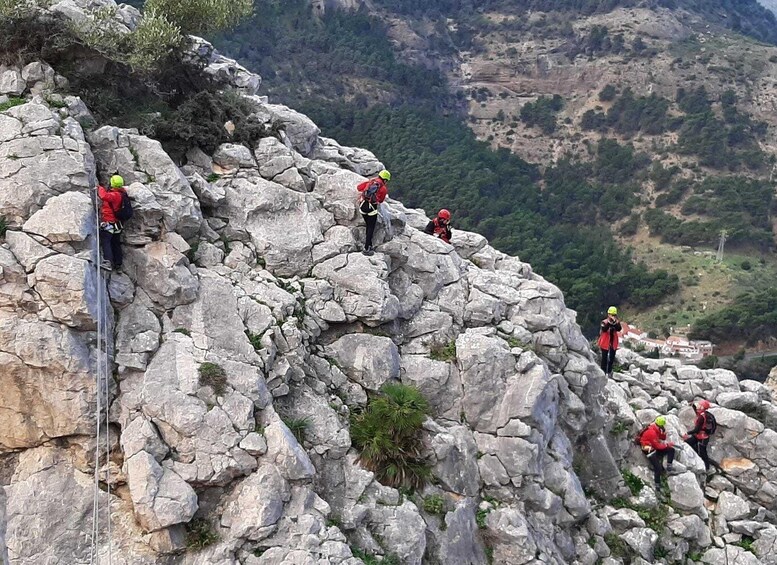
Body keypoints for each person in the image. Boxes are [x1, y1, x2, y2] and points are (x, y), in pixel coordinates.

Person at [356, 169, 390, 256]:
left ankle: (369, 244)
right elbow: (381, 201)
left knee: (368, 225)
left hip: (362, 207)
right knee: (370, 228)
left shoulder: (371, 181)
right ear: (385, 180)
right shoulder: (383, 189)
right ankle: (367, 248)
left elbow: (359, 188)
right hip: (371, 209)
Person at [97, 175, 127, 271]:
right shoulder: (122, 193)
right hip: (117, 224)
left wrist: (100, 188)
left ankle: (108, 262)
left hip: (109, 222)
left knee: (106, 241)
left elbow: (104, 196)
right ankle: (118, 265)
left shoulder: (115, 195)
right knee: (115, 243)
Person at [640, 415, 676, 491]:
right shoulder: (651, 432)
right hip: (648, 449)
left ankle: (669, 465)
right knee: (658, 468)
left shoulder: (655, 428)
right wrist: (666, 445)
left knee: (671, 449)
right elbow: (657, 446)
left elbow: (662, 438)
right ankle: (657, 485)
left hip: (653, 447)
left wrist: (663, 432)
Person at [683, 400, 716, 472]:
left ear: (702, 407)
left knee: (703, 453)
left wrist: (688, 433)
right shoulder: (704, 414)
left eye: (700, 406)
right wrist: (692, 405)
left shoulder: (701, 417)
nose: (698, 407)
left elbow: (697, 430)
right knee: (687, 443)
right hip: (700, 436)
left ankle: (707, 467)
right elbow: (696, 411)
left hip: (701, 437)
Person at [598, 306, 621, 377]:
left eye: (614, 315)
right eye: (612, 315)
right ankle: (603, 372)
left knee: (612, 358)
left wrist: (615, 322)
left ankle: (609, 371)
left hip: (613, 342)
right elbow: (604, 329)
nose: (613, 316)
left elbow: (619, 329)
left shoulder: (616, 322)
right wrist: (609, 322)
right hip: (605, 342)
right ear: (608, 314)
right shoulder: (604, 322)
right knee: (604, 358)